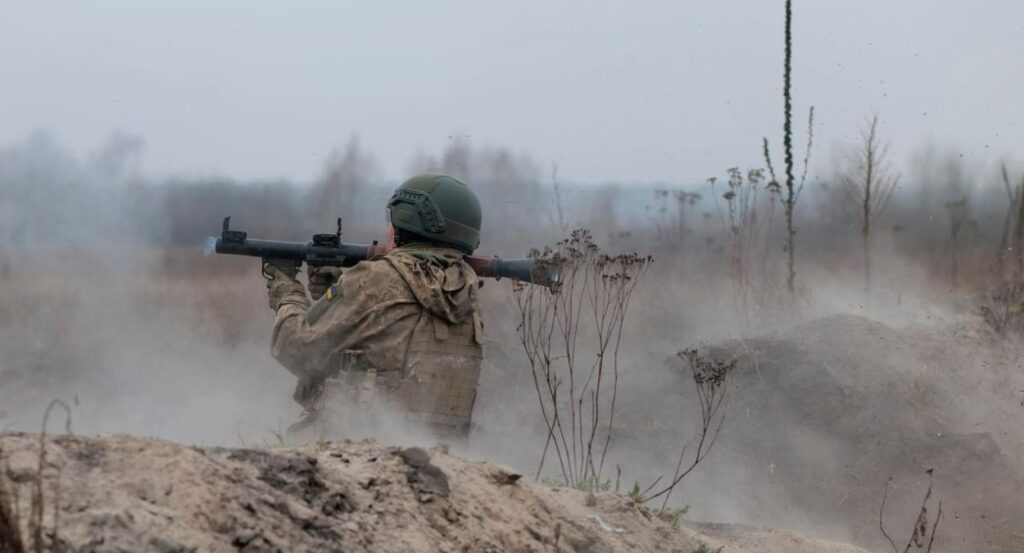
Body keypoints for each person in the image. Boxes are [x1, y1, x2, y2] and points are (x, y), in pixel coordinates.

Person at [263, 174, 485, 441]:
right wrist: (336, 291)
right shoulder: (464, 290)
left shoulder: (376, 278)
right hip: (439, 452)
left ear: (405, 222)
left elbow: (294, 347)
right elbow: (395, 337)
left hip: (360, 447)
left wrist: (286, 288)